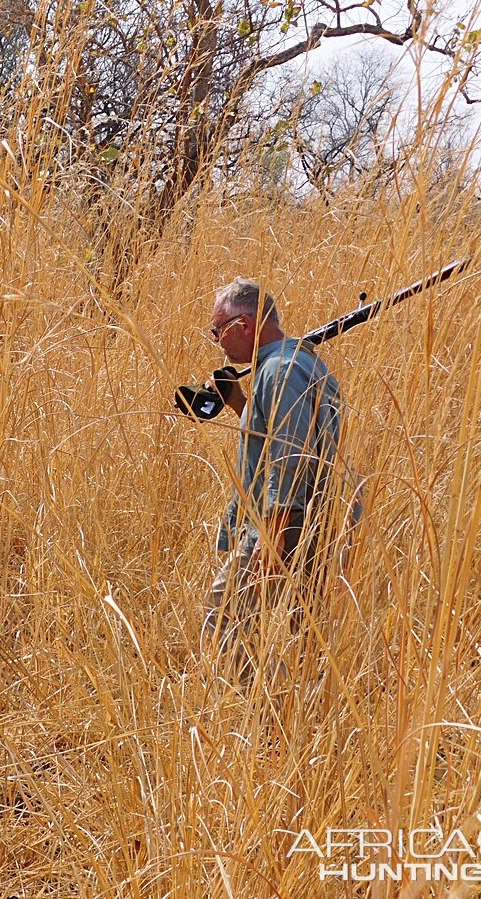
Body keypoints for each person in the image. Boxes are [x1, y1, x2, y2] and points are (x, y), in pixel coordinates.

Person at [199, 278, 356, 679]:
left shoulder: (282, 369)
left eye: (218, 330)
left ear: (245, 325)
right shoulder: (289, 364)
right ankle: (297, 717)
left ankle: (268, 718)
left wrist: (272, 537)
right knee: (304, 630)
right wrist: (239, 403)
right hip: (312, 518)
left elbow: (290, 457)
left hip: (289, 521)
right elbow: (278, 435)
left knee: (223, 616)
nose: (217, 341)